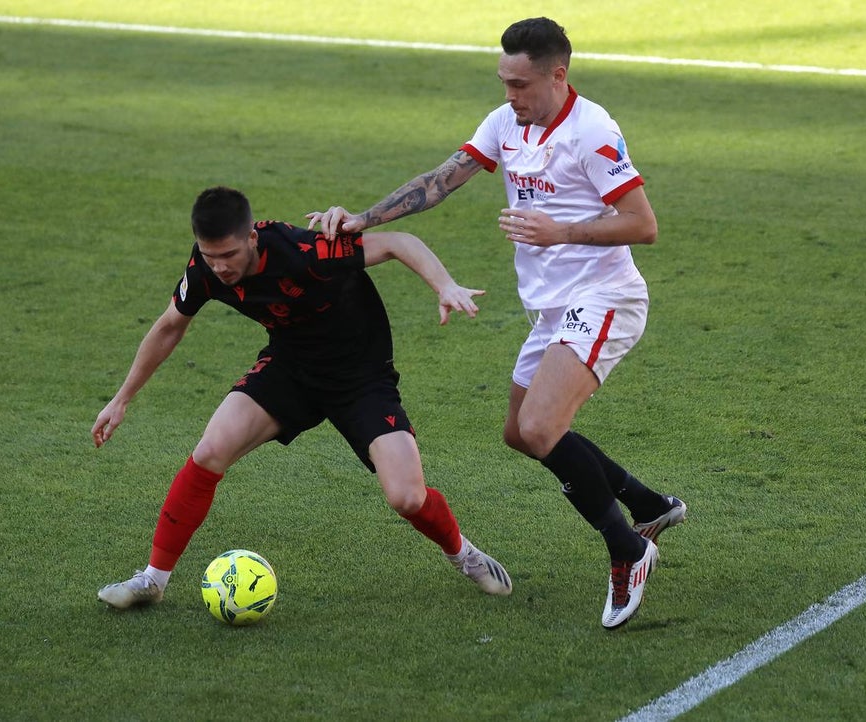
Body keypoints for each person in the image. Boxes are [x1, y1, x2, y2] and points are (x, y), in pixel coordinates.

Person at [308, 17, 685, 629]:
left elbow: (644, 225)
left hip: (605, 296)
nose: (510, 95)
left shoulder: (592, 131)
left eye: (520, 84)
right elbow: (441, 181)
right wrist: (364, 219)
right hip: (552, 309)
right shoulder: (506, 122)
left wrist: (560, 231)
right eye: (504, 82)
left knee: (541, 428)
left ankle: (628, 549)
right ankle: (648, 505)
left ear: (558, 75)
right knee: (519, 432)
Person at [94, 185, 512, 610]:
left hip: (360, 379)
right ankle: (153, 579)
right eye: (209, 255)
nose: (219, 267)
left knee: (407, 496)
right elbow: (170, 326)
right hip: (290, 368)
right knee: (210, 451)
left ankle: (463, 554)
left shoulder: (304, 251)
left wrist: (444, 285)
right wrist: (122, 398)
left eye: (229, 255)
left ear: (251, 238)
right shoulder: (204, 268)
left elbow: (399, 243)